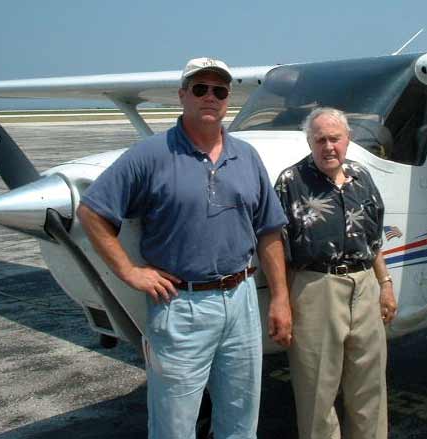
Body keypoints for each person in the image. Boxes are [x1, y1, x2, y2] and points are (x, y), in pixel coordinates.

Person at [76, 57, 292, 439]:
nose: (210, 96)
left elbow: (270, 231)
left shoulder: (247, 156)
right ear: (182, 95)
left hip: (241, 301)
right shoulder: (151, 155)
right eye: (200, 89)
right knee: (174, 426)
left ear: (227, 100)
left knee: (241, 421)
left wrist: (279, 299)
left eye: (219, 90)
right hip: (181, 307)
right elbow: (92, 210)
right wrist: (129, 271)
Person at [274, 107, 397, 439]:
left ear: (348, 140)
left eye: (335, 139)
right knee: (317, 392)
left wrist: (385, 284)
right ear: (310, 142)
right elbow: (278, 251)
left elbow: (374, 240)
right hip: (316, 287)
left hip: (364, 286)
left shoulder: (362, 177)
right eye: (320, 140)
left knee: (370, 388)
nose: (329, 146)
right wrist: (282, 303)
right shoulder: (291, 182)